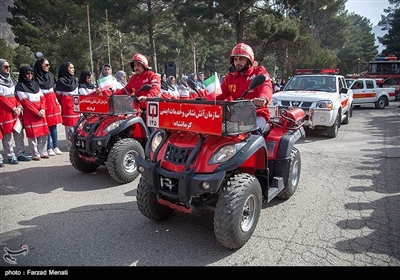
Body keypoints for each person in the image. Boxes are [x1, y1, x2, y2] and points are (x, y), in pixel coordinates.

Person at [205, 43, 273, 135]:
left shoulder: (258, 73)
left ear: (249, 60)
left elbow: (266, 87)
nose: (238, 62)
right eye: (235, 59)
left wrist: (263, 98)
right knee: (218, 133)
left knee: (254, 133)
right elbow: (219, 94)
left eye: (241, 59)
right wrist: (204, 100)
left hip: (257, 115)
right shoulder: (230, 78)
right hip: (237, 116)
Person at [0, 58, 31, 164]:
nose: (8, 69)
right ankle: (10, 155)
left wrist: (19, 107)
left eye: (9, 67)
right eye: (5, 67)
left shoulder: (11, 81)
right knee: (7, 136)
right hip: (6, 113)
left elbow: (15, 96)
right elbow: (1, 99)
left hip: (16, 113)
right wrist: (13, 108)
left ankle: (20, 153)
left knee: (19, 134)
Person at [15, 66, 50, 160]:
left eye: (31, 73)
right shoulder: (20, 86)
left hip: (40, 112)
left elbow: (42, 98)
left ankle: (43, 152)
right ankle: (35, 154)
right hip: (30, 114)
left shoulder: (36, 84)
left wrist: (42, 109)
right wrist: (36, 112)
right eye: (27, 73)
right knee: (32, 135)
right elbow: (25, 102)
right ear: (23, 74)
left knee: (43, 134)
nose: (30, 75)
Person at [114, 53, 160, 122]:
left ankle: (154, 132)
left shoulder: (152, 76)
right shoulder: (133, 78)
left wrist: (147, 97)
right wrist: (112, 95)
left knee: (151, 125)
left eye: (138, 65)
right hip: (137, 107)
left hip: (151, 107)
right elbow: (125, 90)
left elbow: (155, 88)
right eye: (134, 65)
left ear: (144, 65)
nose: (136, 68)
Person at [33, 58, 63, 156]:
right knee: (46, 126)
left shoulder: (50, 75)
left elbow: (53, 89)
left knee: (53, 126)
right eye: (45, 65)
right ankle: (48, 147)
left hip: (52, 102)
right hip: (43, 103)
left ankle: (56, 146)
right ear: (40, 66)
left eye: (48, 65)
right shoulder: (36, 78)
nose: (48, 67)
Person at [55, 62, 80, 151]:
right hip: (68, 109)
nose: (73, 70)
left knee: (77, 128)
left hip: (76, 108)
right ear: (66, 69)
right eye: (71, 68)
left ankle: (78, 145)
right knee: (69, 129)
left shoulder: (75, 80)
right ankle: (70, 146)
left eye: (73, 68)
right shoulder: (61, 82)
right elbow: (58, 97)